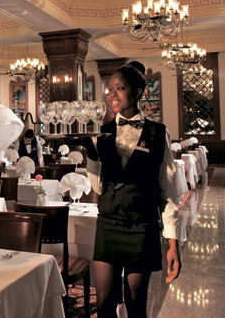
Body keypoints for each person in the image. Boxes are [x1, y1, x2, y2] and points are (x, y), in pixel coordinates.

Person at [84, 61, 181, 317]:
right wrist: (91, 154)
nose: (112, 94)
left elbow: (168, 192)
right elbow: (99, 187)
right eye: (110, 89)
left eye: (120, 88)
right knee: (104, 305)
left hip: (141, 226)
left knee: (136, 305)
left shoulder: (158, 133)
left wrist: (173, 242)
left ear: (138, 92)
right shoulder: (101, 133)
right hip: (108, 224)